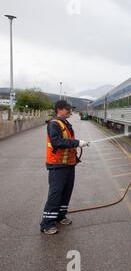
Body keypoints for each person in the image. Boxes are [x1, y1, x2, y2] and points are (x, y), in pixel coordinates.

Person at [40, 100, 90, 235]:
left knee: (66, 191)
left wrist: (78, 144)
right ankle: (47, 223)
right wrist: (77, 142)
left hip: (68, 164)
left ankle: (60, 216)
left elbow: (67, 141)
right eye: (68, 109)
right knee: (55, 194)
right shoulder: (54, 124)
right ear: (59, 109)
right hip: (57, 165)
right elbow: (56, 142)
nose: (70, 111)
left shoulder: (65, 123)